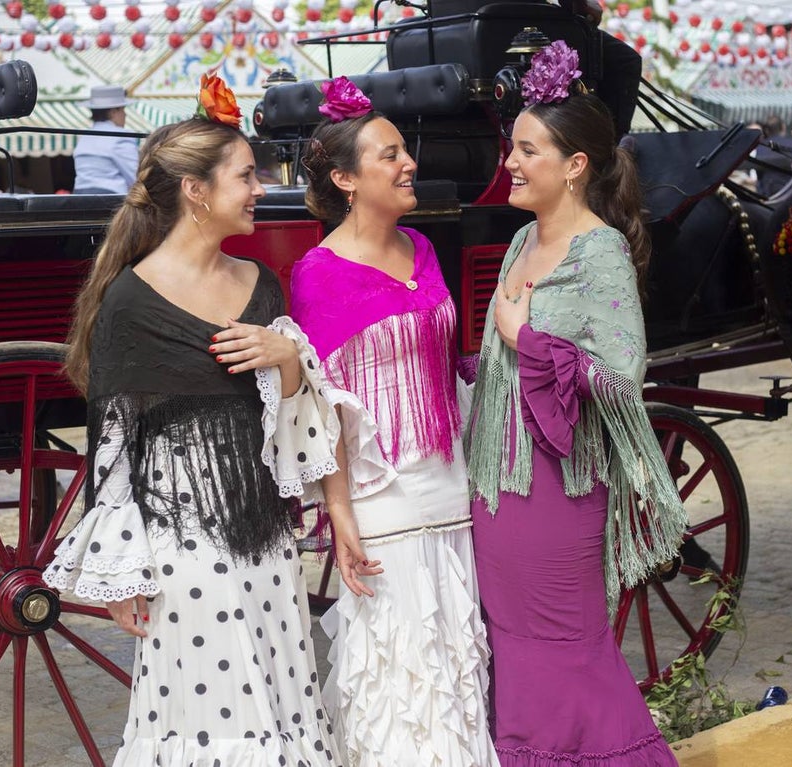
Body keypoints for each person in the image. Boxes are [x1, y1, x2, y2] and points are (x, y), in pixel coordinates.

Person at [43, 73, 344, 766]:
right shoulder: (130, 303)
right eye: (247, 175)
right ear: (196, 191)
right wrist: (127, 573)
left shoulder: (259, 284)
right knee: (213, 714)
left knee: (279, 695)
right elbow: (113, 447)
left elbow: (292, 425)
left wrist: (287, 357)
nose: (262, 187)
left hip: (265, 539)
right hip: (184, 547)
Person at [463, 41, 686, 765]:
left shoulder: (602, 254)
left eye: (527, 150)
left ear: (576, 166)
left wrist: (527, 339)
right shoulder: (525, 236)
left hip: (560, 491)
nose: (511, 163)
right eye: (512, 147)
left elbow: (622, 376)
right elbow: (497, 359)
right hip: (498, 488)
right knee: (516, 655)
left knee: (572, 651)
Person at [291, 77, 499, 766]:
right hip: (381, 502)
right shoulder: (316, 274)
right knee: (397, 673)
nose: (408, 163)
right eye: (389, 154)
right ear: (347, 179)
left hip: (449, 486)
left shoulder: (424, 249)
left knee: (457, 663)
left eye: (404, 149)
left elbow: (447, 370)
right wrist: (339, 515)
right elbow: (323, 409)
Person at [73, 85, 140, 195]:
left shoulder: (84, 138)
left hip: (78, 197)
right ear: (113, 112)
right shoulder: (121, 137)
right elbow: (135, 176)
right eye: (123, 110)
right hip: (110, 199)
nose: (125, 115)